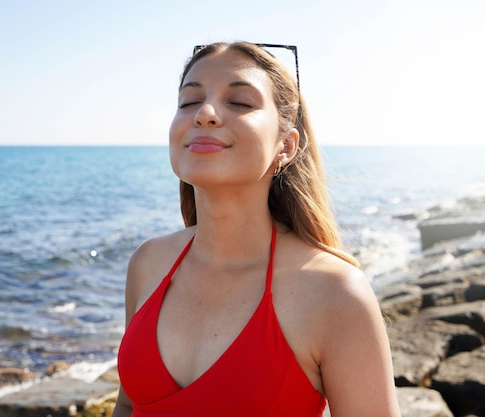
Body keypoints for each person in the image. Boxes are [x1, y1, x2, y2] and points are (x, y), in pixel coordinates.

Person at [112, 41, 401, 416]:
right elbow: (127, 405)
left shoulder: (334, 292)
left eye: (240, 102)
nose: (205, 114)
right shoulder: (148, 263)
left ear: (286, 145)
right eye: (189, 102)